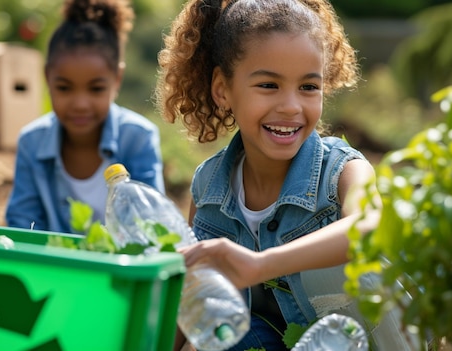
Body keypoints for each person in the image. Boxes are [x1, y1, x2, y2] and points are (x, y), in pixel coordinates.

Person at [154, 0, 385, 350]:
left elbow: (369, 226)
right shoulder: (208, 187)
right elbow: (192, 304)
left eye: (308, 87)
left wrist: (260, 265)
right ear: (222, 90)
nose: (291, 106)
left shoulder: (344, 171)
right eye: (268, 85)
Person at [6, 0, 164, 233]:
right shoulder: (32, 142)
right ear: (47, 77)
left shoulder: (138, 138)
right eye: (64, 88)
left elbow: (152, 223)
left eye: (96, 89)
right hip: (54, 267)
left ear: (117, 79)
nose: (80, 104)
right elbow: (23, 224)